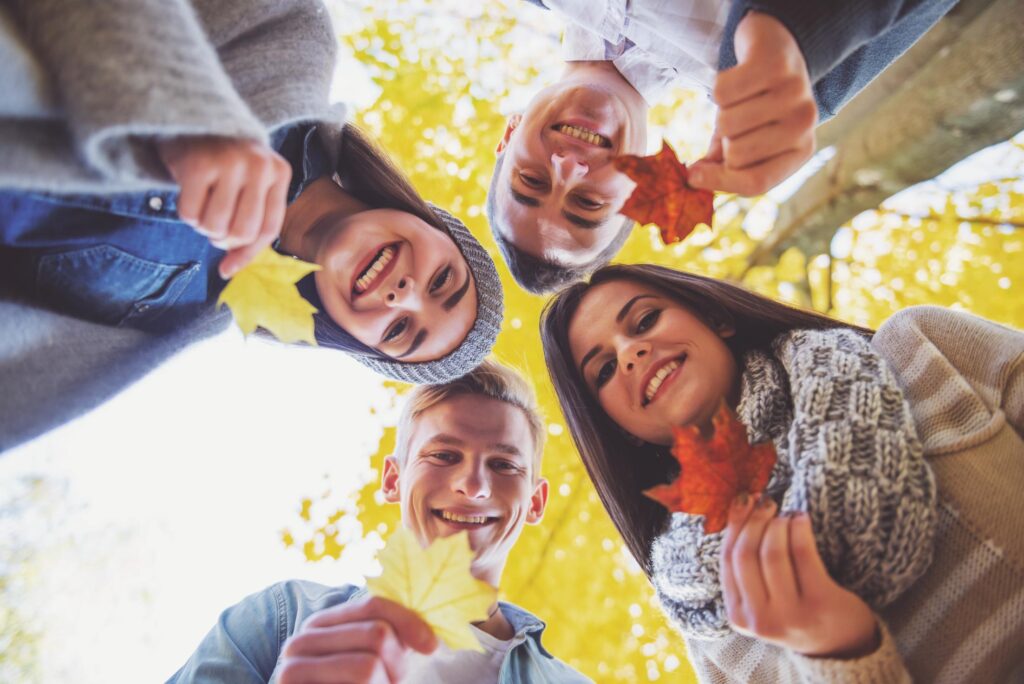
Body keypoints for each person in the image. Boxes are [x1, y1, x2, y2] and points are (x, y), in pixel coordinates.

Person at [0, 0, 504, 450]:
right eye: (443, 281)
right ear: (434, 222)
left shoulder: (189, 314)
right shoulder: (294, 41)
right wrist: (189, 117)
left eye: (399, 331)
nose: (405, 295)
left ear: (351, 338)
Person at [540, 264, 1024, 682]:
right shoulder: (713, 636)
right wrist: (839, 652)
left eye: (645, 320)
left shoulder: (919, 348)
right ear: (623, 431)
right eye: (603, 370)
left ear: (716, 318)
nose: (629, 352)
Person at [488, 0, 958, 293]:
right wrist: (789, 33)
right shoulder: (791, 77)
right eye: (588, 203)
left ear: (509, 136)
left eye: (531, 180)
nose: (567, 167)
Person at [167, 360, 592, 683]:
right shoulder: (278, 620)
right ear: (393, 479)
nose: (473, 485)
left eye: (503, 464)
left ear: (535, 502)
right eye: (443, 455)